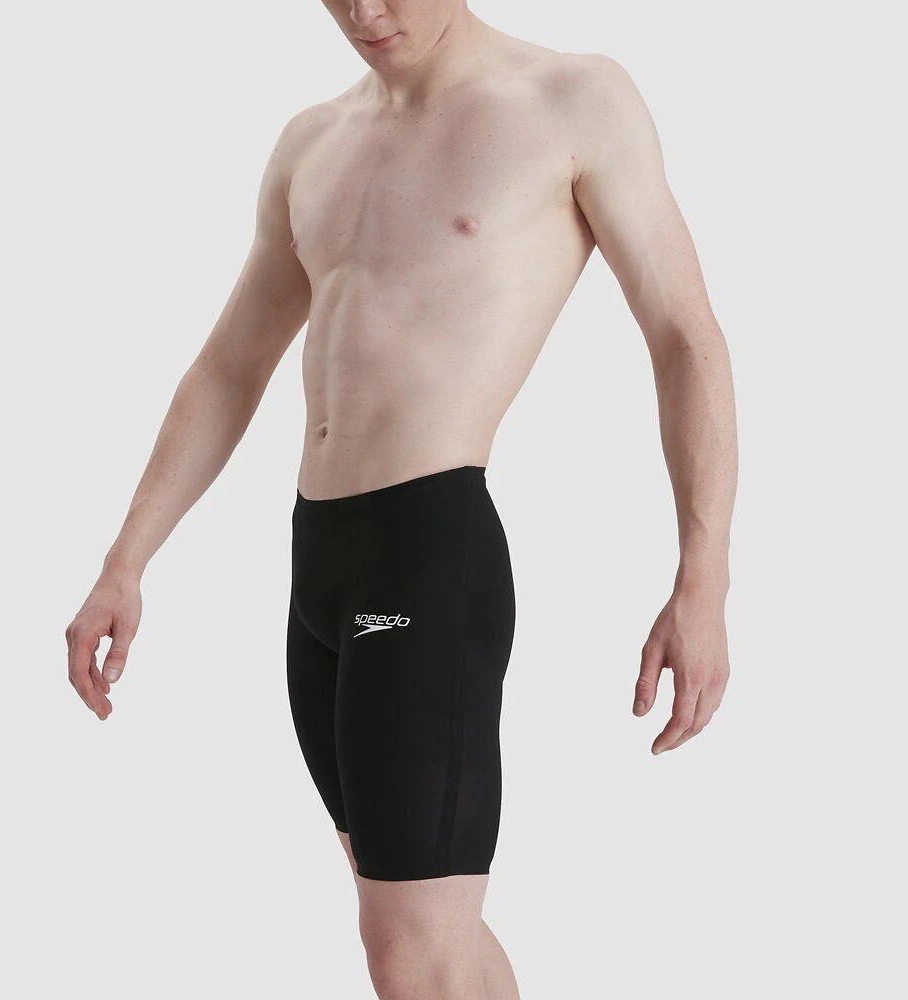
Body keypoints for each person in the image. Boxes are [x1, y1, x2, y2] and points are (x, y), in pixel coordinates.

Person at [65, 2, 738, 997]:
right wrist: (124, 560)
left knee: (410, 949)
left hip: (429, 556)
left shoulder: (571, 101)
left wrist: (703, 577)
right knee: (429, 934)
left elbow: (684, 334)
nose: (363, 11)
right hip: (318, 572)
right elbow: (230, 365)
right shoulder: (313, 142)